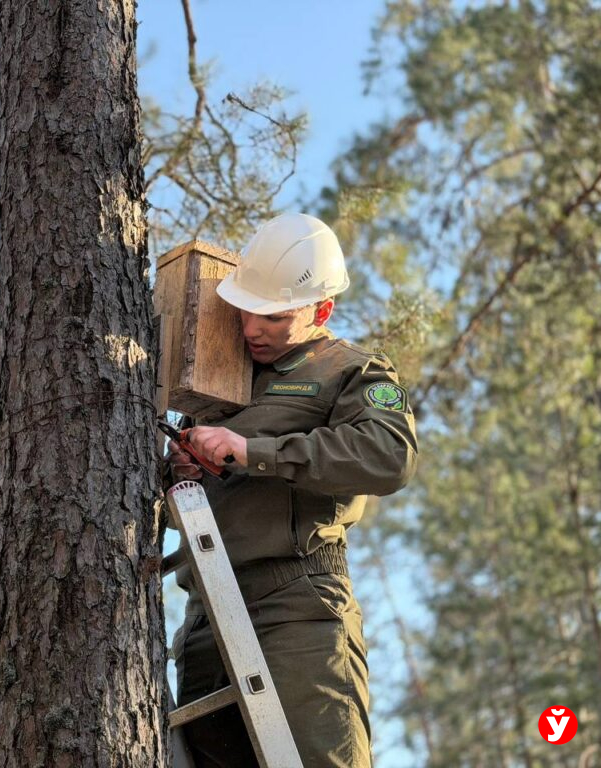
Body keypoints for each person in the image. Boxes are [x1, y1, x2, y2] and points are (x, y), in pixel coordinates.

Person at [166, 212, 418, 768]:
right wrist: (180, 473)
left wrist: (252, 451)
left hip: (297, 611)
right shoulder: (215, 377)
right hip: (206, 618)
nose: (252, 329)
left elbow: (390, 455)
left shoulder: (350, 371)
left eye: (274, 316)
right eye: (245, 311)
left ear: (321, 310)